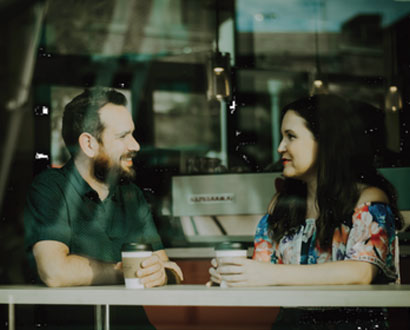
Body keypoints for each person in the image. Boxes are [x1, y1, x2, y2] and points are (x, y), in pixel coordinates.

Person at [209, 94, 403, 329]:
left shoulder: (368, 199)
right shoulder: (282, 203)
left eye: (290, 137)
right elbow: (262, 266)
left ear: (326, 142)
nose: (280, 147)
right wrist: (234, 274)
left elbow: (361, 271)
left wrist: (267, 274)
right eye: (282, 137)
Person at [24, 87, 182, 328]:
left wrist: (163, 275)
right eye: (123, 136)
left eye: (133, 134)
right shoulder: (50, 188)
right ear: (89, 144)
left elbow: (168, 267)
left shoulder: (132, 195)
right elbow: (54, 271)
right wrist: (125, 271)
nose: (136, 145)